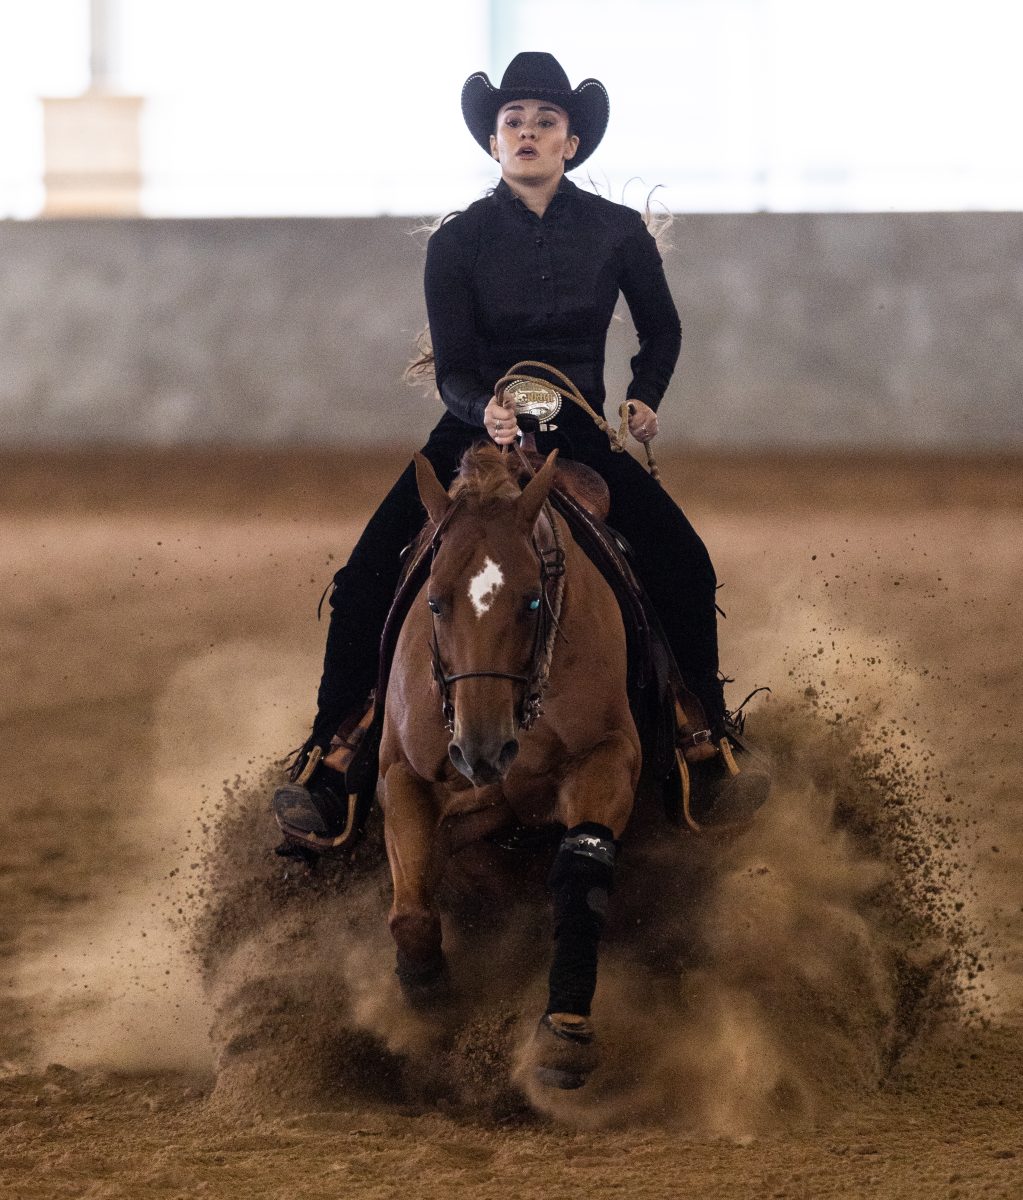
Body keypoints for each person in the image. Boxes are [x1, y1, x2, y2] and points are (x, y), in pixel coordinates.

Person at [275, 52, 767, 848]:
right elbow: (456, 368)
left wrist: (644, 392)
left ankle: (701, 740)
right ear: (494, 142)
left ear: (572, 143)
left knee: (682, 559)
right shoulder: (457, 242)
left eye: (545, 123)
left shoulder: (616, 233)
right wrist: (485, 410)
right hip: (472, 431)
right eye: (514, 123)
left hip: (576, 431)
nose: (528, 133)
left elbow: (661, 328)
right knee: (362, 577)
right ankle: (333, 761)